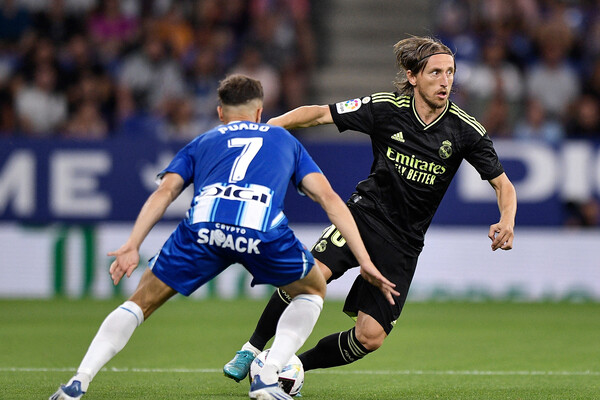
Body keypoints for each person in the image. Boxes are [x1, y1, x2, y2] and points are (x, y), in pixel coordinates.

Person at [49, 74, 397, 400]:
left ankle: (78, 382)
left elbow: (165, 193)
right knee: (311, 290)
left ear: (220, 113)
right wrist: (364, 260)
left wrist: (132, 244)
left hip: (203, 228)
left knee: (139, 302)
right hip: (260, 228)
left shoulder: (202, 141)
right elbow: (330, 200)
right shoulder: (283, 139)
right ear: (260, 112)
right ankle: (267, 377)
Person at [223, 36, 517, 382]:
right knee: (308, 276)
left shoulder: (465, 130)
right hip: (362, 218)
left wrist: (507, 220)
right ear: (413, 77)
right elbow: (319, 114)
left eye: (450, 72)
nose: (445, 81)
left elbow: (503, 185)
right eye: (436, 72)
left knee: (370, 337)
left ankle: (292, 367)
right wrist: (268, 128)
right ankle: (252, 348)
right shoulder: (385, 108)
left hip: (403, 244)